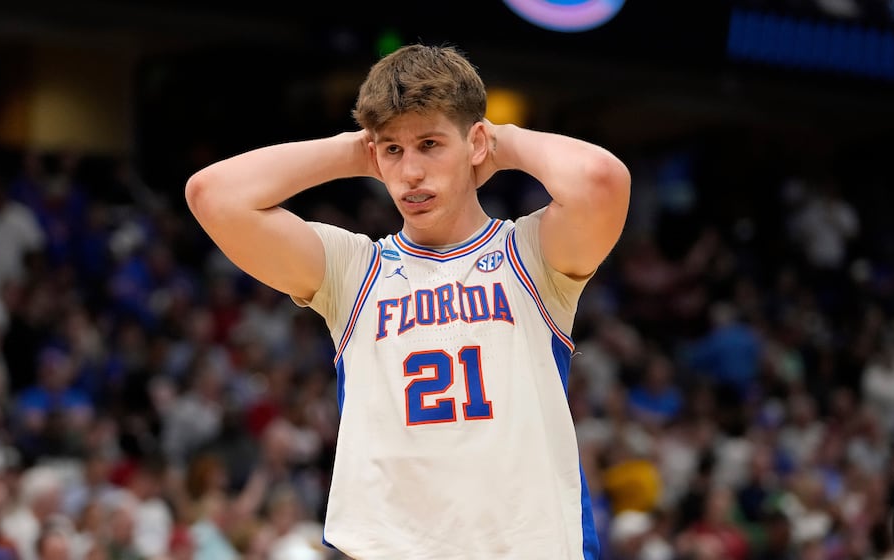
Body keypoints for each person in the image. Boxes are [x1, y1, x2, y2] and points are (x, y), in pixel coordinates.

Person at [186, 43, 630, 558]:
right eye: (394, 151)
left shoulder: (530, 254)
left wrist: (497, 142)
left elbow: (600, 181)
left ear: (475, 142)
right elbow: (211, 195)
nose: (410, 172)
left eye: (430, 144)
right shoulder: (355, 270)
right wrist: (358, 150)